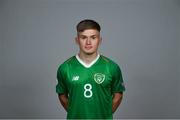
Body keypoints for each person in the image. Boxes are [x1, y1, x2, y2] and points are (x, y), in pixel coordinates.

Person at [56, 19, 125, 119]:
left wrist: (104, 113)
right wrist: (76, 112)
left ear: (100, 40)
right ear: (77, 40)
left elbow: (118, 95)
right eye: (83, 37)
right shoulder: (65, 68)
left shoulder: (111, 67)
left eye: (93, 37)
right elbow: (62, 95)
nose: (88, 42)